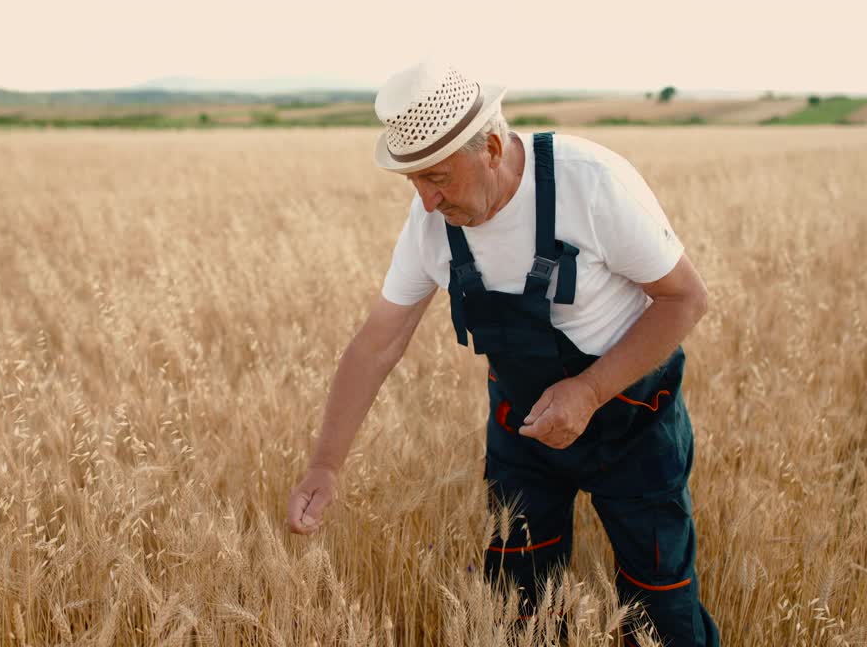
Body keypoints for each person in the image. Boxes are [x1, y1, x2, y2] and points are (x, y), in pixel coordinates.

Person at [285, 61, 720, 645]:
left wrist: (589, 392)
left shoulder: (588, 183)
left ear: (491, 146)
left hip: (634, 423)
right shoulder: (429, 226)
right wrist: (326, 464)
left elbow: (685, 299)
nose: (428, 201)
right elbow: (377, 342)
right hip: (522, 432)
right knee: (520, 607)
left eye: (438, 177)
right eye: (413, 181)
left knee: (659, 609)